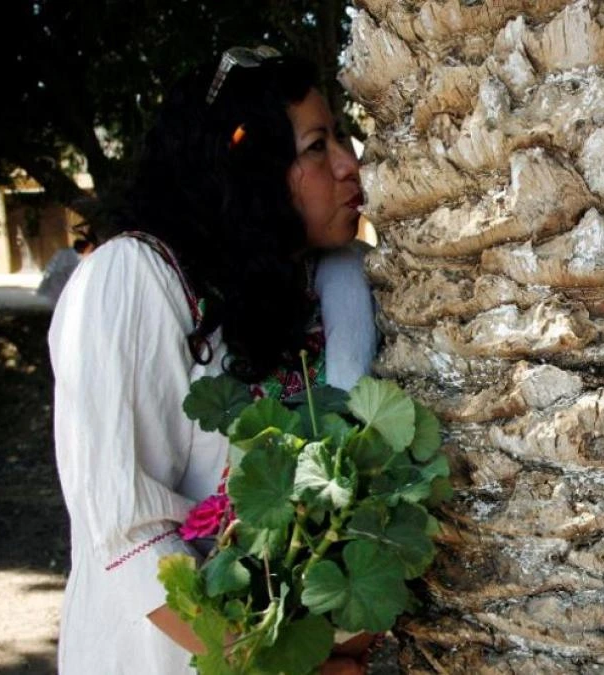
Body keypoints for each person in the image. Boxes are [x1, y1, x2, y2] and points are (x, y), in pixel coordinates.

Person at [48, 47, 377, 674]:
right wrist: (277, 663)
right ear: (249, 167)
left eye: (341, 138)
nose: (348, 165)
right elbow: (125, 531)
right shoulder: (133, 280)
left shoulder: (328, 286)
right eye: (316, 147)